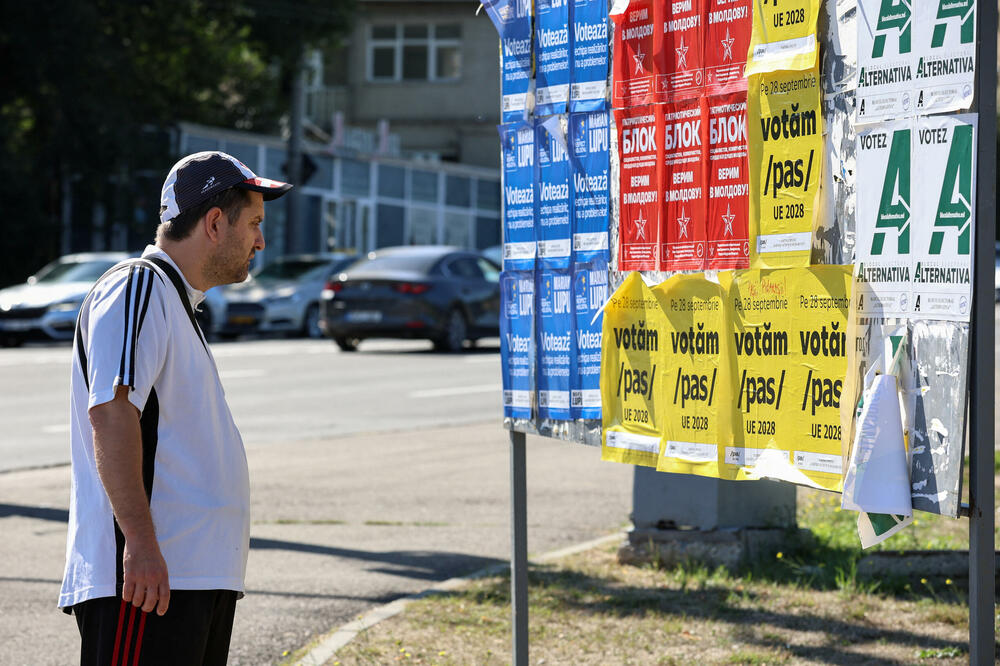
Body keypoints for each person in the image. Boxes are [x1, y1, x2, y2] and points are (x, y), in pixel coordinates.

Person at [59, 151, 292, 666]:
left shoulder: (174, 300)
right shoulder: (139, 285)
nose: (260, 242)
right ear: (215, 223)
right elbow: (112, 412)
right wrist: (141, 544)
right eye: (254, 224)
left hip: (188, 578)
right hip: (149, 583)